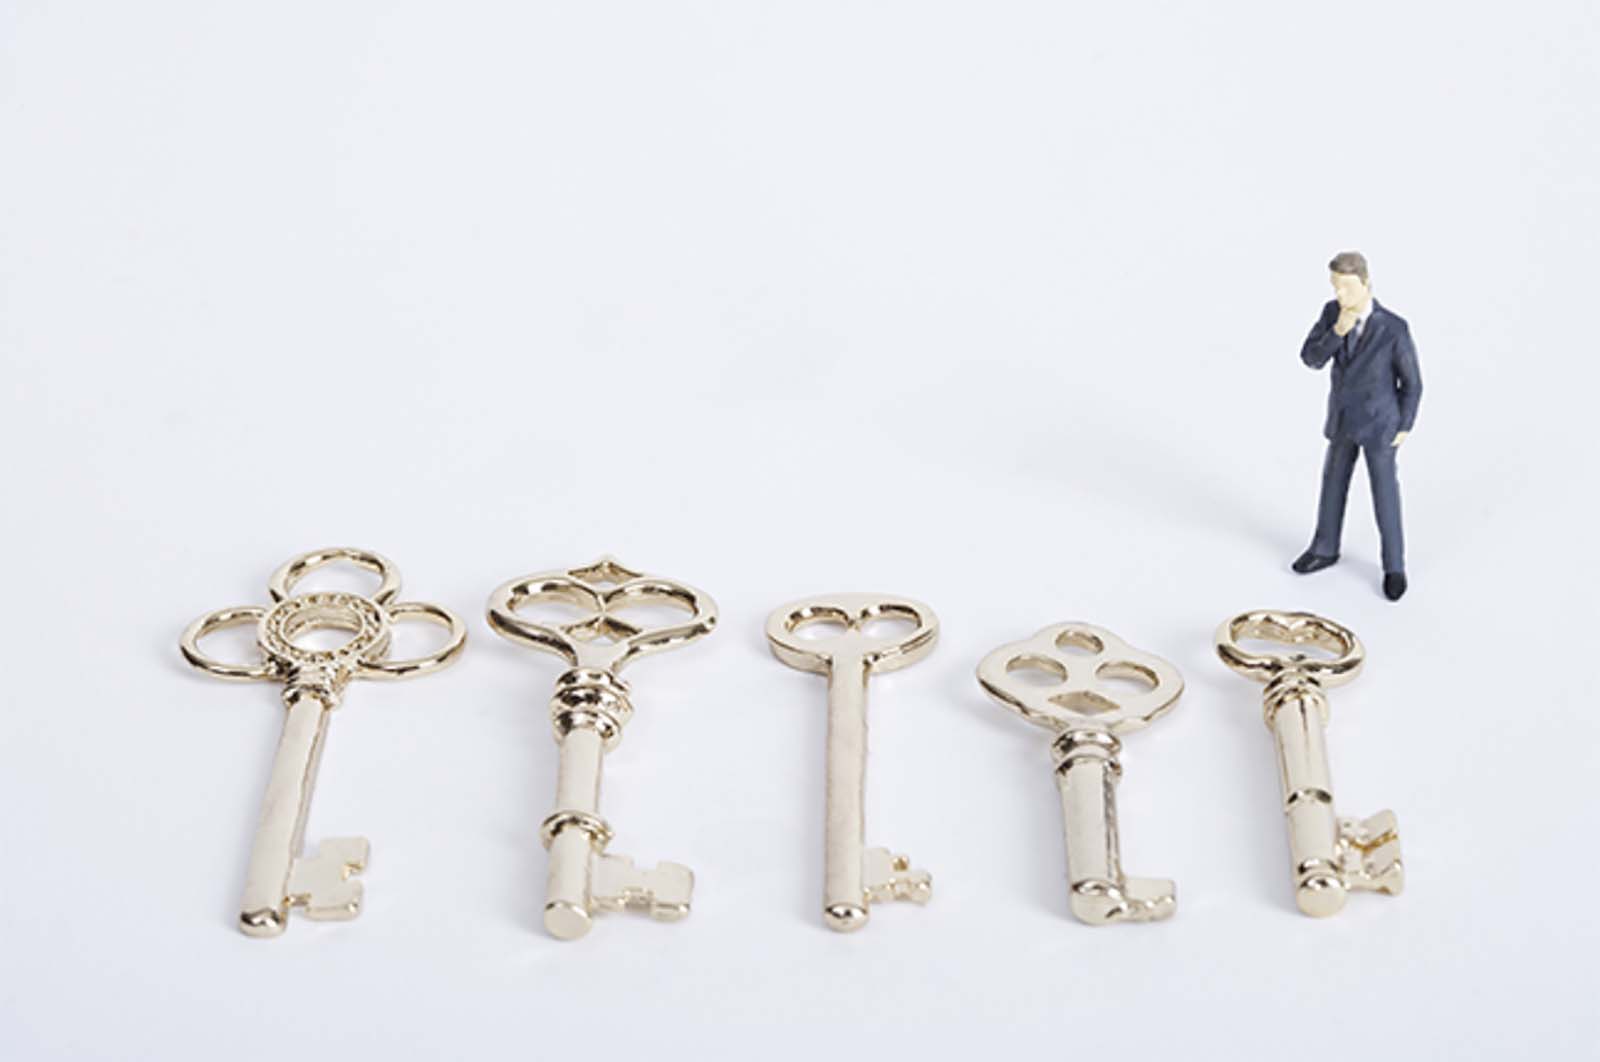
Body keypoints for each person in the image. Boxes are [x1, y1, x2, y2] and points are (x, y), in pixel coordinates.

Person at [1292, 251, 1422, 601]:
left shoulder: (1394, 328)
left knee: (1385, 494)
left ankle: (1394, 566)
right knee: (1332, 484)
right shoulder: (1332, 314)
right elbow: (1311, 358)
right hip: (1343, 421)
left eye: (1347, 288)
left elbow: (1412, 382)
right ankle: (1324, 548)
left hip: (1381, 425)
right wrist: (1336, 332)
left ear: (1366, 283)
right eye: (1335, 287)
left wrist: (1405, 423)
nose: (1340, 296)